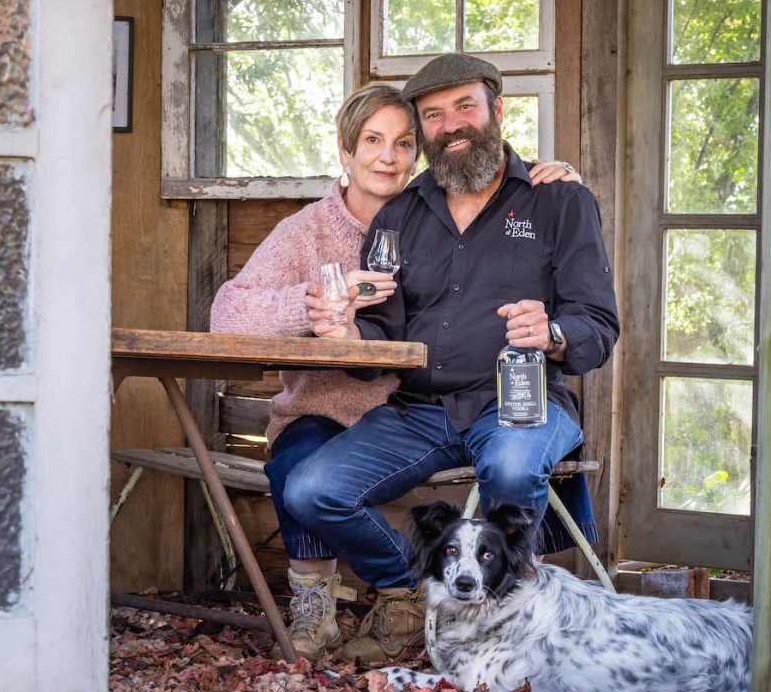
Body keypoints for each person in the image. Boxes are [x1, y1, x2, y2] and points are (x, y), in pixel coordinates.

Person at [209, 83, 579, 661]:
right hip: (341, 404)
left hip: (425, 402)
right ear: (345, 151)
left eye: (403, 143)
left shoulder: (433, 209)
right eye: (372, 142)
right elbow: (229, 313)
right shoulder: (314, 229)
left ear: (421, 150)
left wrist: (543, 174)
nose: (388, 156)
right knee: (302, 465)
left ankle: (491, 624)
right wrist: (316, 307)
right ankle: (369, 595)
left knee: (509, 458)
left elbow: (496, 173)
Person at [292, 53, 620, 664]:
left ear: (497, 110)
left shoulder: (559, 202)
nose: (453, 123)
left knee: (516, 471)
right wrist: (345, 333)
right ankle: (413, 594)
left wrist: (551, 332)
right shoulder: (399, 216)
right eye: (435, 115)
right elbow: (380, 333)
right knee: (311, 489)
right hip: (419, 411)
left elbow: (598, 326)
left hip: (520, 400)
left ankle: (509, 634)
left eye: (465, 106)